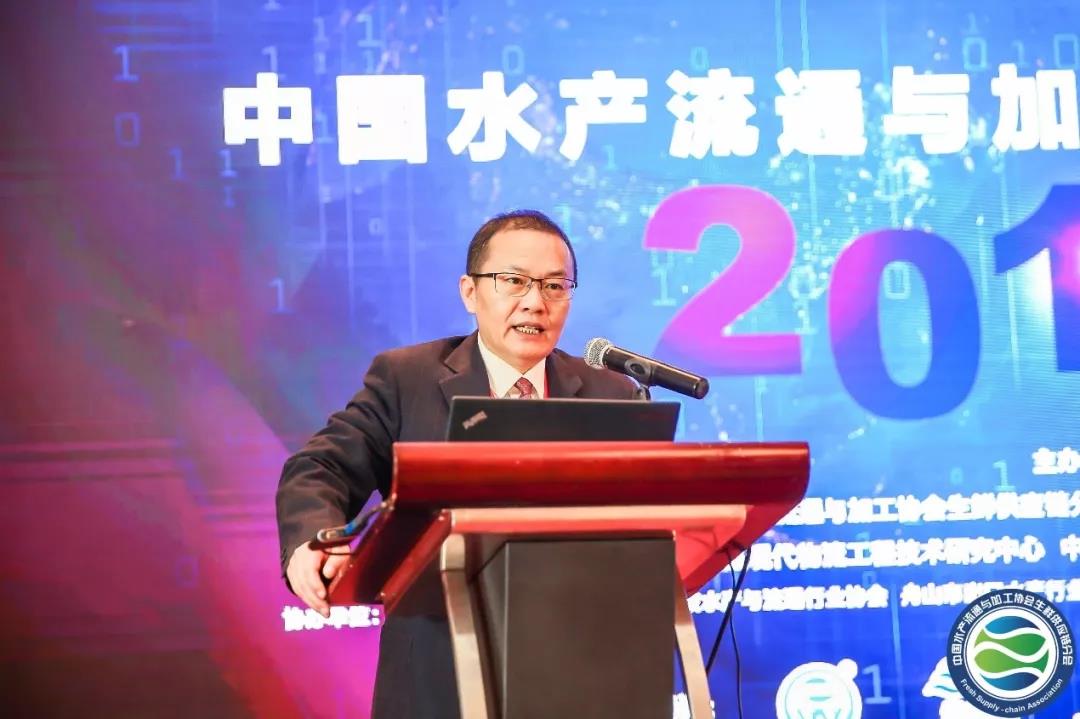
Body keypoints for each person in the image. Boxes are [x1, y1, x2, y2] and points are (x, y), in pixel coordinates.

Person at [276, 209, 637, 719]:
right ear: (470, 292)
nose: (535, 302)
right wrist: (311, 537)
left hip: (575, 673)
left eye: (555, 286)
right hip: (437, 674)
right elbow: (322, 467)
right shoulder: (408, 379)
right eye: (514, 281)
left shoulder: (612, 394)